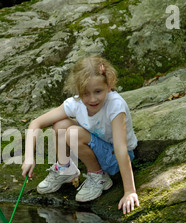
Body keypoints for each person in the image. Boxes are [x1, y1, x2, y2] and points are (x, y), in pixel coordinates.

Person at [21, 55, 139, 214]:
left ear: (109, 85)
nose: (92, 99)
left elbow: (120, 149)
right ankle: (65, 169)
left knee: (73, 134)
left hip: (115, 159)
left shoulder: (115, 106)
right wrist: (29, 157)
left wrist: (129, 191)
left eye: (98, 91)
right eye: (85, 93)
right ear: (78, 90)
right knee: (60, 125)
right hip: (97, 146)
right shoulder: (75, 103)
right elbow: (36, 123)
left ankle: (99, 178)